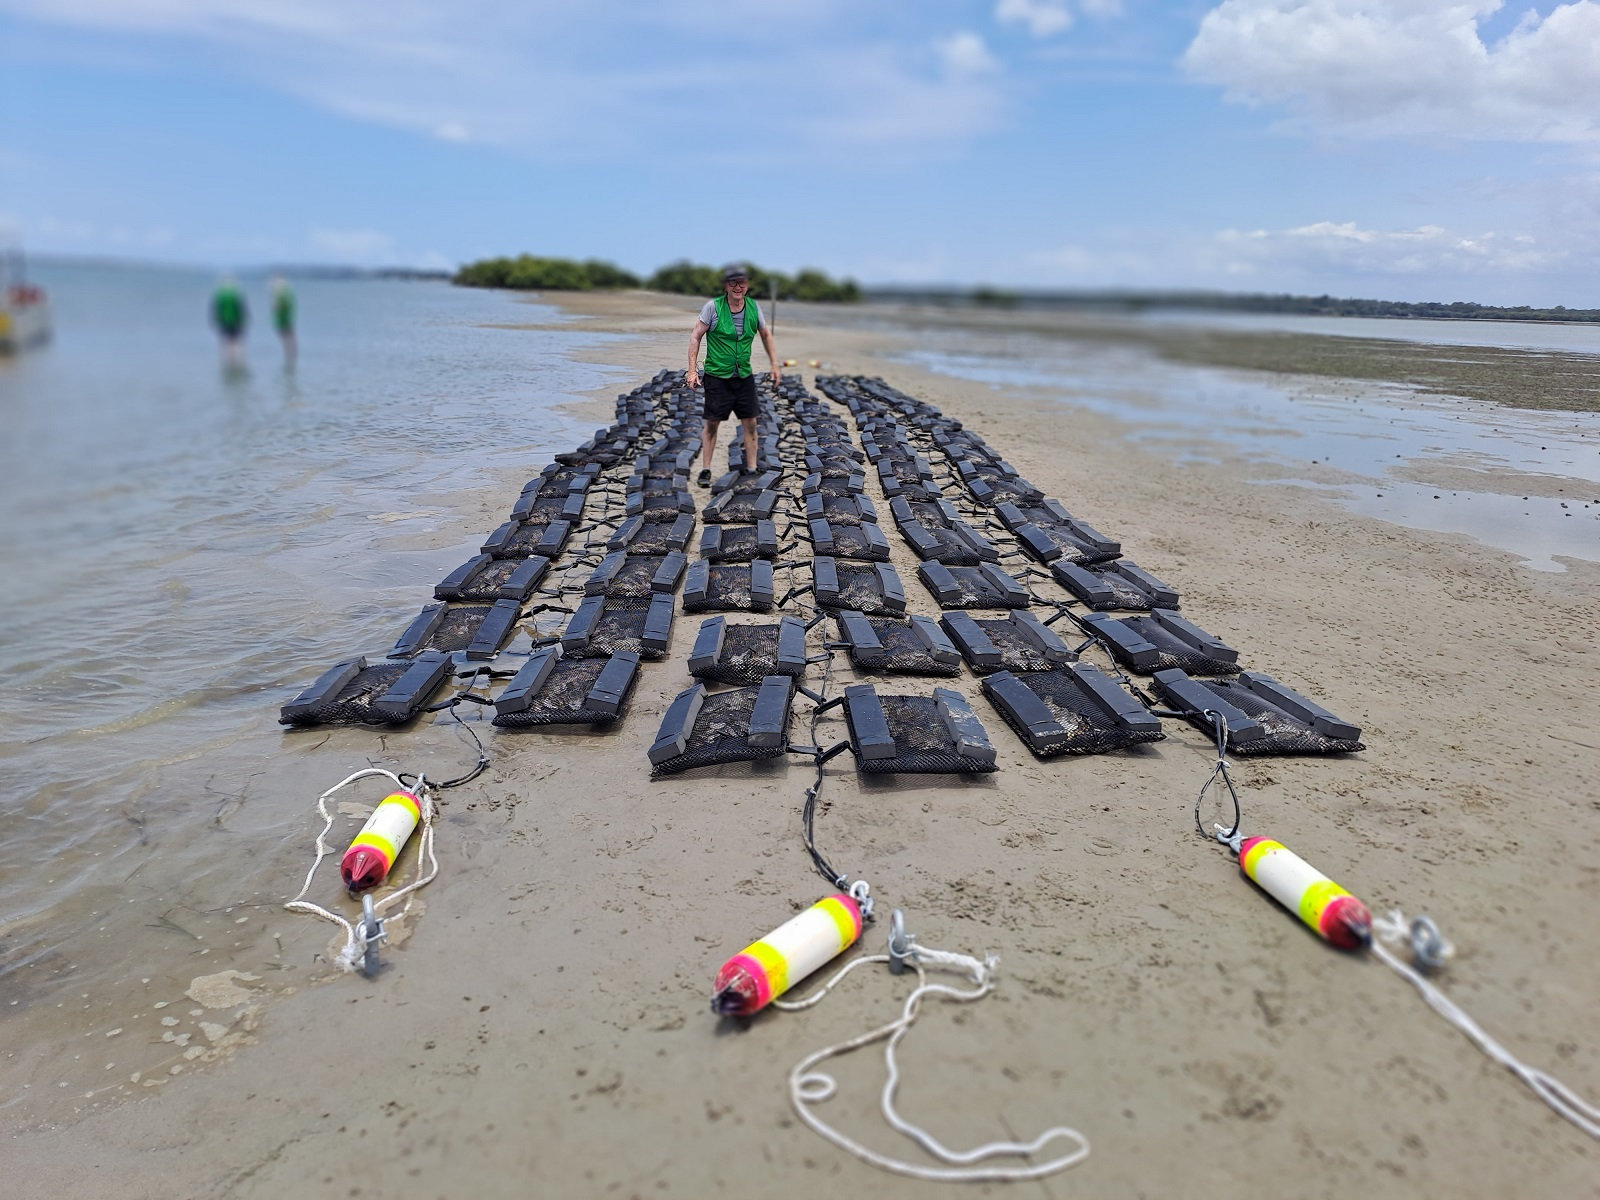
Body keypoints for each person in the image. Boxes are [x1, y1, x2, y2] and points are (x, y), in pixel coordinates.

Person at [685, 263, 780, 486]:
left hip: (743, 375)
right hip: (717, 376)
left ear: (747, 285)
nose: (738, 286)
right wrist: (692, 370)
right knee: (712, 423)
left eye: (742, 282)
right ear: (726, 285)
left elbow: (766, 335)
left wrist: (775, 365)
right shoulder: (713, 307)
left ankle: (752, 468)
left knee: (751, 423)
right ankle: (706, 469)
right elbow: (695, 336)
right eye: (733, 282)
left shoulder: (754, 308)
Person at [211, 276, 248, 368]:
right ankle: (237, 361)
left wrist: (215, 320)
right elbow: (242, 309)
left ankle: (228, 362)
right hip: (234, 321)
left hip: (226, 321)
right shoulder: (235, 294)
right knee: (236, 342)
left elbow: (216, 310)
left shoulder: (221, 295)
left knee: (227, 342)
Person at [270, 276, 296, 367]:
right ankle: (291, 357)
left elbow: (277, 307)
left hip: (284, 320)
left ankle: (290, 356)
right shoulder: (287, 294)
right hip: (285, 319)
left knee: (287, 339)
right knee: (289, 338)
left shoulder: (282, 295)